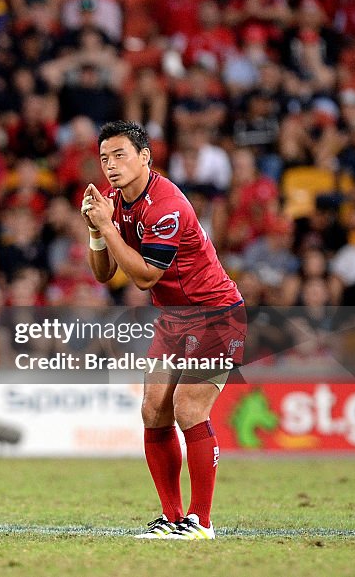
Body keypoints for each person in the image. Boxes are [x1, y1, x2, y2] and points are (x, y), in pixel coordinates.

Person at [82, 121, 245, 540]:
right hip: (175, 319)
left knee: (189, 408)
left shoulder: (166, 204)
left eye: (120, 155)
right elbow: (104, 274)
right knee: (153, 410)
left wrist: (108, 227)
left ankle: (201, 522)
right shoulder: (116, 202)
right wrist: (96, 232)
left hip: (216, 313)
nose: (111, 166)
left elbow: (145, 277)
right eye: (104, 158)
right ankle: (172, 520)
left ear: (144, 157)